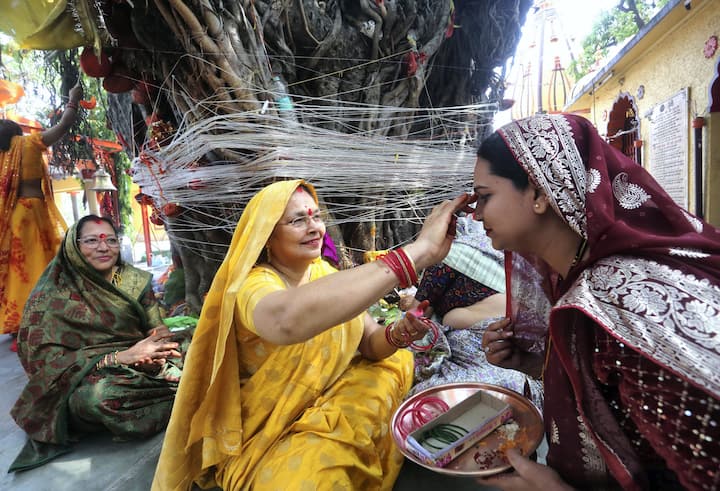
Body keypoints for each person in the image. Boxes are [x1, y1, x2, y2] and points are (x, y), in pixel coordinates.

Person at [152, 179, 470, 490]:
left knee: (395, 366)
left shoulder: (324, 274)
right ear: (267, 237)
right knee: (318, 478)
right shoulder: (252, 287)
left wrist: (397, 334)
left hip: (333, 398)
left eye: (316, 216)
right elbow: (285, 319)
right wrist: (416, 254)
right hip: (271, 428)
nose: (315, 227)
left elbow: (371, 345)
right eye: (297, 220)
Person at [474, 113, 720, 490]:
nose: (476, 216)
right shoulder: (578, 278)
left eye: (484, 197)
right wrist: (537, 364)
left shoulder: (623, 298)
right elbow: (620, 396)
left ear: (539, 193)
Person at [9, 215, 192, 472]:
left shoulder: (133, 280)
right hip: (89, 377)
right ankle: (191, 391)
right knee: (98, 399)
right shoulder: (52, 294)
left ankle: (183, 386)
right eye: (92, 241)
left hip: (144, 360)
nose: (103, 248)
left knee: (198, 343)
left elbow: (156, 325)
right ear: (74, 246)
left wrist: (158, 352)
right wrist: (119, 357)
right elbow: (44, 363)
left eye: (110, 240)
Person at [404, 216, 543, 408]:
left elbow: (416, 315)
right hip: (516, 346)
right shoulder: (505, 253)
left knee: (430, 398)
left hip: (491, 340)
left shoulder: (447, 257)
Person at [0, 83, 82, 350]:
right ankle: (43, 316)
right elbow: (65, 124)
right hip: (32, 212)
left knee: (16, 270)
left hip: (9, 218)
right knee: (38, 265)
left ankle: (20, 319)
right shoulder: (31, 143)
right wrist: (73, 99)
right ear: (17, 132)